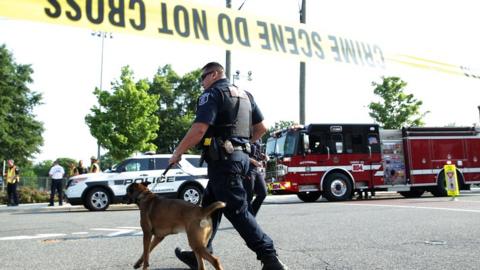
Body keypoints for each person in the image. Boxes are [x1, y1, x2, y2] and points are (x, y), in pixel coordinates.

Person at [169, 62, 287, 270]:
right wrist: (241, 144)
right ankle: (202, 252)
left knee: (237, 211)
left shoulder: (213, 93)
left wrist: (178, 152)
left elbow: (199, 129)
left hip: (223, 162)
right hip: (238, 160)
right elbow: (261, 128)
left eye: (203, 78)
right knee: (208, 209)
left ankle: (270, 258)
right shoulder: (245, 95)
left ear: (214, 74)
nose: (202, 83)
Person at [245, 140, 268, 216]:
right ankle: (248, 219)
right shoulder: (246, 135)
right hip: (247, 169)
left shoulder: (259, 139)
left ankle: (250, 217)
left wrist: (262, 156)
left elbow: (256, 153)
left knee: (263, 193)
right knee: (249, 196)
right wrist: (252, 161)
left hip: (256, 169)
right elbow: (240, 154)